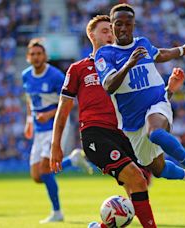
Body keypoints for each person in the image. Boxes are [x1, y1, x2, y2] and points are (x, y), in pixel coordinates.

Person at [95, 4, 185, 190]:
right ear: (112, 26)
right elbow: (109, 85)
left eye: (127, 24)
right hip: (132, 123)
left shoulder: (142, 43)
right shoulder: (105, 54)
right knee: (158, 169)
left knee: (156, 134)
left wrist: (180, 50)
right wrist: (129, 64)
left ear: (133, 25)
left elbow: (159, 54)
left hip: (157, 103)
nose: (123, 28)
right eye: (118, 24)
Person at [50, 15, 160, 228]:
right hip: (96, 134)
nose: (110, 34)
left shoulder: (123, 66)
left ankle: (102, 226)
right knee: (136, 179)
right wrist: (55, 144)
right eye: (104, 31)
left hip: (125, 133)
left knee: (139, 185)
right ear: (91, 35)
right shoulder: (78, 69)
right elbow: (63, 110)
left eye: (112, 30)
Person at [22, 38, 92, 224]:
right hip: (38, 129)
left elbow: (69, 102)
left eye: (39, 54)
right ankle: (73, 160)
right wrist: (29, 120)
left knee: (45, 171)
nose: (36, 57)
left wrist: (49, 114)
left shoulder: (55, 76)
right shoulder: (26, 76)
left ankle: (57, 212)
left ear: (45, 56)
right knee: (37, 176)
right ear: (28, 57)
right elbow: (30, 100)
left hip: (56, 126)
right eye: (33, 54)